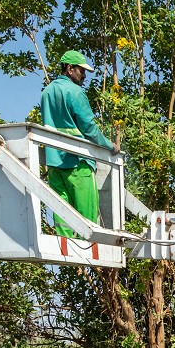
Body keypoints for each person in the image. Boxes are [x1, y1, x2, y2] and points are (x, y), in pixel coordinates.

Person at [40, 50, 114, 237]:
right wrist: (109, 146)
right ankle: (85, 249)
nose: (84, 75)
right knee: (86, 218)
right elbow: (89, 128)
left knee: (62, 211)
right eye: (82, 70)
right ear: (70, 68)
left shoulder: (47, 92)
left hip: (54, 162)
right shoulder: (75, 92)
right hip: (77, 163)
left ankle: (66, 248)